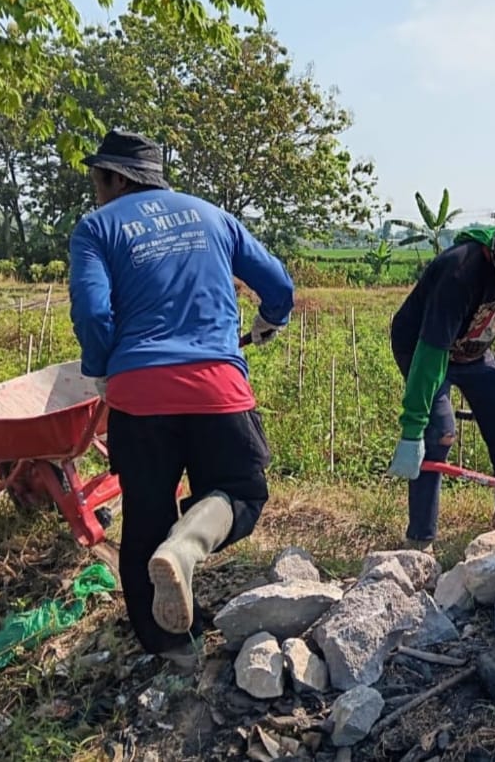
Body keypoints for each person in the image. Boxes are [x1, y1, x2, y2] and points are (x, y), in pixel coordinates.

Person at [68, 129, 294, 667]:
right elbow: (279, 285)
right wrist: (268, 321)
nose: (95, 191)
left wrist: (102, 372)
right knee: (240, 490)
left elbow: (95, 314)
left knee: (146, 511)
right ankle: (188, 545)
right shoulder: (211, 215)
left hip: (139, 395)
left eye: (97, 180)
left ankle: (169, 648)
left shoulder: (96, 228)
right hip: (217, 386)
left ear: (117, 178)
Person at [387, 202, 495, 550]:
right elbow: (431, 352)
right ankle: (420, 538)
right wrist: (412, 428)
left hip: (473, 350)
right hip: (424, 348)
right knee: (438, 432)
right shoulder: (461, 271)